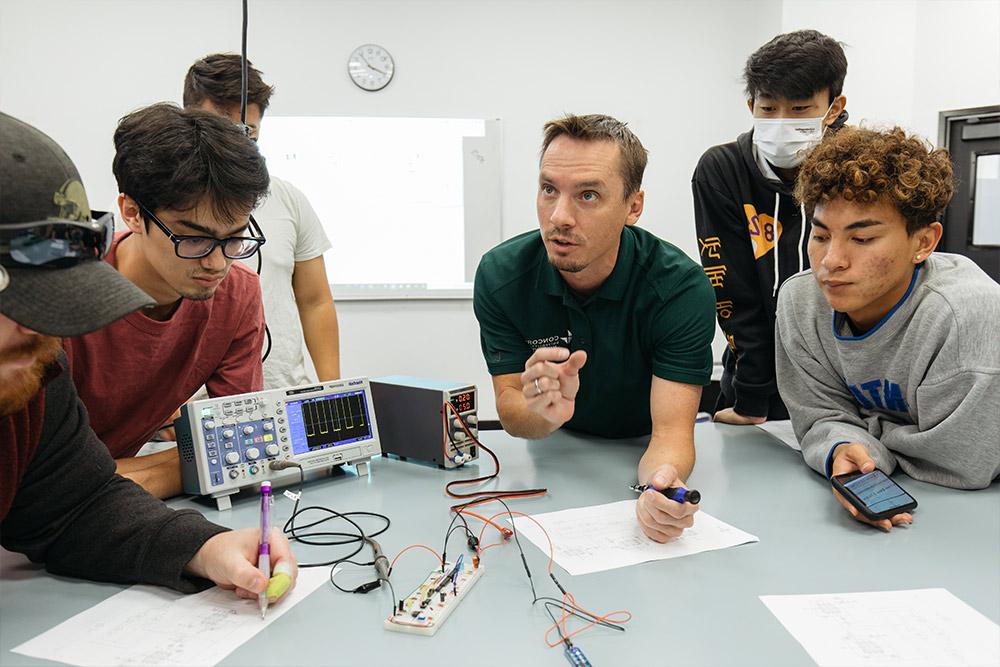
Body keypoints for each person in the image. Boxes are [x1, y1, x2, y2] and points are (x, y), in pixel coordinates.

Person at [0, 111, 298, 596]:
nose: (41, 325)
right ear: (133, 213)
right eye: (10, 290)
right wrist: (192, 460)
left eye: (52, 293)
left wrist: (204, 548)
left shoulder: (30, 366)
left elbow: (75, 505)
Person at [473, 114, 716, 543]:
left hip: (642, 443)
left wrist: (658, 486)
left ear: (633, 206)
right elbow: (511, 410)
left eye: (587, 195)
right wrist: (541, 412)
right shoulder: (502, 275)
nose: (559, 217)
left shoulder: (679, 288)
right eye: (549, 190)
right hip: (553, 450)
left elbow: (671, 433)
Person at [775, 126, 1000, 531]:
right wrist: (845, 445)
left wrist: (866, 431)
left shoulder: (966, 314)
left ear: (924, 242)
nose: (831, 261)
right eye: (821, 235)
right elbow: (817, 416)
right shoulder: (800, 302)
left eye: (862, 238)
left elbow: (962, 463)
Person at [62, 103, 270, 499]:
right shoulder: (64, 297)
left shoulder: (237, 294)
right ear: (131, 212)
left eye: (234, 238)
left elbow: (245, 455)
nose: (216, 262)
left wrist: (214, 459)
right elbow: (42, 484)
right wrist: (195, 461)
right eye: (193, 238)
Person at [692, 29, 848, 425]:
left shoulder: (858, 169)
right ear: (751, 104)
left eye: (799, 109)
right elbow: (732, 293)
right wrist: (751, 399)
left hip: (847, 382)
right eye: (768, 108)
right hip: (755, 383)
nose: (782, 122)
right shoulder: (722, 171)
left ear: (833, 107)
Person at [184, 53, 341, 387]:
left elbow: (315, 301)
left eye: (247, 133)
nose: (234, 144)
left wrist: (333, 390)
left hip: (282, 393)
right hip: (190, 406)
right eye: (221, 127)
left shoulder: (288, 199)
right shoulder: (155, 206)